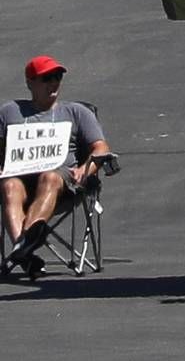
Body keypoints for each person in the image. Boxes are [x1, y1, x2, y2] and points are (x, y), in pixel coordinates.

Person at [1, 55, 111, 278]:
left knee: (49, 177)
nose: (54, 83)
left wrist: (85, 169)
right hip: (20, 175)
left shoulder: (77, 112)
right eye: (47, 78)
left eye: (57, 77)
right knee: (9, 185)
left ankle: (29, 238)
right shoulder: (10, 112)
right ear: (30, 83)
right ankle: (24, 250)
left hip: (63, 180)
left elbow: (100, 148)